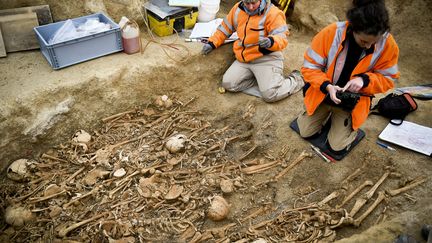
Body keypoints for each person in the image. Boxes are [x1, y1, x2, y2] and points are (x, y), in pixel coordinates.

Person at [296, 0, 399, 154]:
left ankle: (346, 124)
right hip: (323, 94)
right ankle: (318, 115)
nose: (368, 46)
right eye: (364, 41)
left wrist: (364, 80)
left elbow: (389, 79)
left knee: (337, 146)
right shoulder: (331, 33)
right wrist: (327, 86)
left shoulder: (388, 44)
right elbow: (309, 67)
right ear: (352, 28)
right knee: (305, 132)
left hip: (352, 102)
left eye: (374, 42)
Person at [201, 0, 304, 103]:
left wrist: (271, 41)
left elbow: (282, 38)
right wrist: (212, 43)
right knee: (229, 84)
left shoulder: (273, 13)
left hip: (266, 58)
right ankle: (265, 85)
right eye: (247, 3)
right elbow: (225, 28)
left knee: (270, 95)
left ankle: (297, 79)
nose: (250, 7)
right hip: (245, 58)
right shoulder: (237, 9)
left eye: (254, 3)